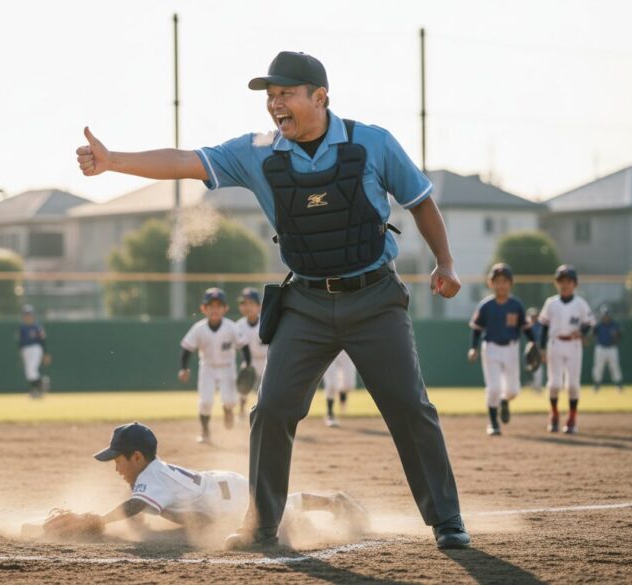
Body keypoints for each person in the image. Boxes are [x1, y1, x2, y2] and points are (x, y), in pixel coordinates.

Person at [77, 50, 468, 549]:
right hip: (305, 302)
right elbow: (186, 160)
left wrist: (445, 262)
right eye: (270, 96)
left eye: (286, 93)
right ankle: (262, 525)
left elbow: (421, 202)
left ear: (320, 97)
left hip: (373, 297)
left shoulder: (372, 142)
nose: (275, 103)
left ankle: (446, 520)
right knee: (271, 410)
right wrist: (113, 161)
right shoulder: (258, 152)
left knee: (410, 408)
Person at [86, 422, 368, 547]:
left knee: (279, 515)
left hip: (227, 500)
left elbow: (136, 505)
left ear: (137, 457)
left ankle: (336, 504)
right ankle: (332, 502)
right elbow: (142, 505)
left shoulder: (150, 479)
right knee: (277, 505)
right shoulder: (151, 473)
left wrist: (100, 521)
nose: (116, 467)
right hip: (220, 483)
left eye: (118, 460)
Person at [179, 288, 251, 443]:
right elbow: (187, 348)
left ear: (225, 308)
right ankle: (205, 432)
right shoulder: (199, 329)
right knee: (205, 402)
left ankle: (227, 410)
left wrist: (247, 363)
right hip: (208, 368)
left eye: (219, 306)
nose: (215, 309)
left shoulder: (231, 327)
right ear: (203, 308)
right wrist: (183, 368)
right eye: (210, 306)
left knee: (230, 400)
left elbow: (244, 345)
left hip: (227, 367)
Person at [467, 263, 532, 436]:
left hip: (511, 348)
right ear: (491, 283)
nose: (501, 285)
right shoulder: (486, 306)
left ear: (511, 284)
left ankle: (504, 401)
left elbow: (526, 328)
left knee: (513, 391)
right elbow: (477, 329)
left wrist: (535, 343)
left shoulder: (516, 305)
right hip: (491, 348)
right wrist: (473, 348)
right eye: (497, 281)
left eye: (504, 281)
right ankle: (493, 422)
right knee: (494, 387)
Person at [538, 265, 595, 434]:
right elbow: (544, 327)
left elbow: (590, 324)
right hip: (555, 344)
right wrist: (542, 348)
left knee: (572, 385)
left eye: (568, 281)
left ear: (575, 284)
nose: (564, 284)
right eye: (561, 281)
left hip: (573, 345)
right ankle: (554, 414)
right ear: (556, 283)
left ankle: (572, 418)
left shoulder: (580, 304)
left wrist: (582, 332)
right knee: (554, 384)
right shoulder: (551, 303)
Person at [235, 287, 267, 422]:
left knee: (268, 389)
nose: (247, 307)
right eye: (244, 303)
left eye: (251, 303)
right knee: (243, 387)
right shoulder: (239, 325)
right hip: (250, 360)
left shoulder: (265, 322)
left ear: (259, 306)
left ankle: (266, 413)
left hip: (267, 360)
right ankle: (241, 412)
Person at [18, 304, 51, 399]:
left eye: (29, 314)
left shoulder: (37, 326)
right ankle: (38, 387)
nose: (27, 316)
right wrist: (20, 354)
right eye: (26, 314)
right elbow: (20, 342)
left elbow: (43, 340)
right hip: (25, 349)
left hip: (36, 348)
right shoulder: (22, 327)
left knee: (32, 369)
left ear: (33, 315)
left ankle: (39, 387)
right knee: (29, 372)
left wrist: (45, 353)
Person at [591, 306, 623, 393]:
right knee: (598, 367)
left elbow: (620, 336)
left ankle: (619, 385)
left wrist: (616, 335)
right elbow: (593, 334)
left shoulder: (614, 324)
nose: (606, 316)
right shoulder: (598, 325)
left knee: (615, 367)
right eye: (604, 314)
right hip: (601, 348)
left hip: (612, 348)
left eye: (607, 314)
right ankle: (596, 385)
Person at [322, 351, 356, 427]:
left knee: (349, 384)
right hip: (328, 349)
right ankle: (330, 414)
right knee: (331, 385)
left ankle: (342, 392)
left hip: (346, 351)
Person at [525, 307, 544, 393]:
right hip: (531, 347)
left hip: (539, 347)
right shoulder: (528, 325)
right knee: (532, 366)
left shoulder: (540, 325)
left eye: (535, 316)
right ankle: (534, 384)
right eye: (532, 316)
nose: (534, 317)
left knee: (538, 367)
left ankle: (537, 385)